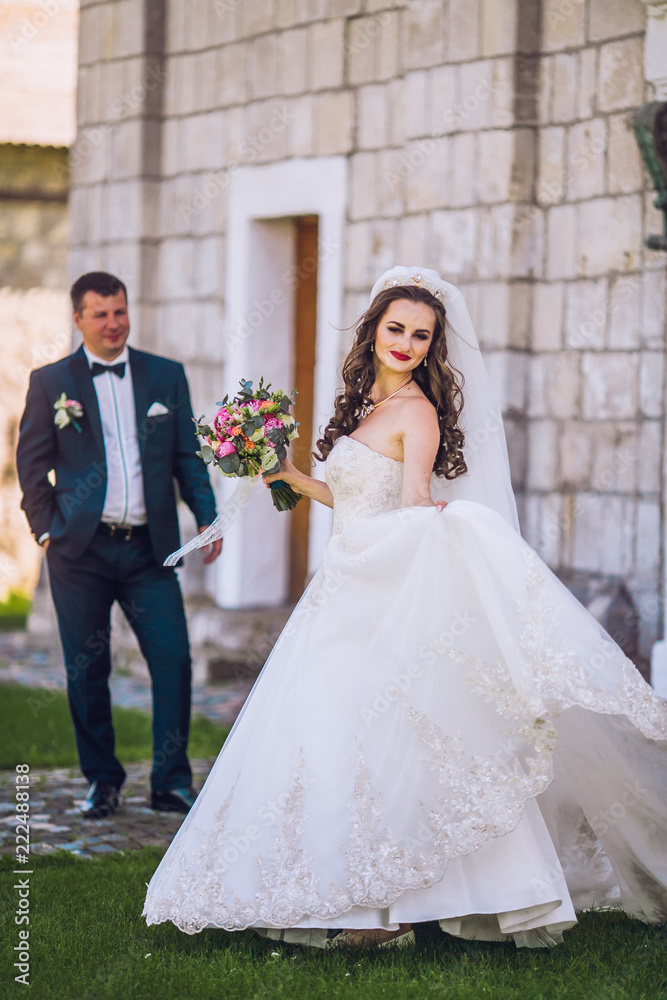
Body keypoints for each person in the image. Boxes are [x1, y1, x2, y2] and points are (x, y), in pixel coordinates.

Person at [143, 266, 666, 949]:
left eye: (421, 336)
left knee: (386, 734)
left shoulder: (418, 410)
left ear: (432, 345)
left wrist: (431, 521)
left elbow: (412, 499)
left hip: (380, 586)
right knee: (329, 735)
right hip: (342, 585)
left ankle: (390, 910)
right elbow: (356, 497)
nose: (407, 344)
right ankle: (346, 890)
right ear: (373, 330)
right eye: (397, 329)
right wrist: (289, 475)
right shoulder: (366, 403)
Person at [16, 271, 222, 819]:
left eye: (120, 311)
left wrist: (208, 517)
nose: (113, 324)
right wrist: (46, 531)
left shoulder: (165, 375)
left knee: (174, 660)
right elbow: (32, 467)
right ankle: (102, 782)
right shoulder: (50, 382)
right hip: (78, 553)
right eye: (101, 314)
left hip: (149, 552)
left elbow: (187, 457)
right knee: (88, 670)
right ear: (78, 319)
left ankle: (170, 783)